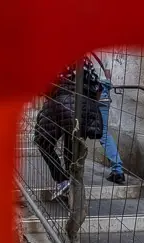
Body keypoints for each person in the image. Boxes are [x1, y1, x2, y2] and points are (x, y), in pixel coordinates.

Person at [33, 57, 103, 200]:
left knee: (43, 141)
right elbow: (98, 87)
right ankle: (73, 189)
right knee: (73, 148)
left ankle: (63, 180)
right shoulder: (85, 61)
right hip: (83, 105)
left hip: (59, 102)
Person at [98, 78, 125, 184]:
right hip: (104, 94)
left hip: (89, 95)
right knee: (104, 134)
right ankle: (118, 171)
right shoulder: (96, 63)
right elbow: (107, 75)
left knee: (77, 131)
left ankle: (71, 173)